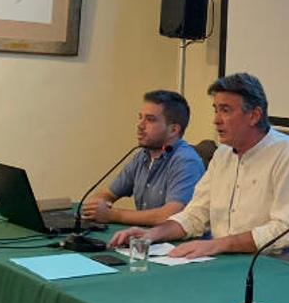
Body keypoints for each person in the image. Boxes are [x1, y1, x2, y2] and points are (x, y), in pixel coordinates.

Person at [108, 73, 289, 270]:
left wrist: (218, 245)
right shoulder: (223, 155)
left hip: (277, 273)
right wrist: (150, 235)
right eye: (215, 109)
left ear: (254, 115)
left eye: (225, 110)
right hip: (224, 265)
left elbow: (286, 231)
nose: (216, 119)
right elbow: (196, 213)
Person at [81, 90, 204, 226]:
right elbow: (108, 194)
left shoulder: (186, 161)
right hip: (146, 240)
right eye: (140, 117)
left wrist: (112, 214)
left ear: (173, 130)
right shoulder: (142, 156)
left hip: (177, 244)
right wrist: (97, 205)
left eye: (150, 119)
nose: (140, 125)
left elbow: (170, 216)